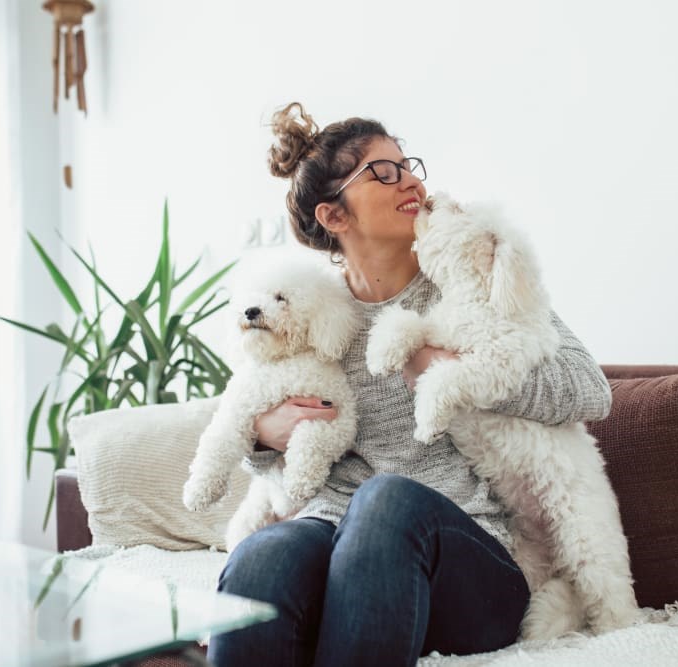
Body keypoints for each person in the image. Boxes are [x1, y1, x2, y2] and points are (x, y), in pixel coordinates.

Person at [206, 103, 612, 667]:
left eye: (408, 164)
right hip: (332, 535)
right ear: (334, 217)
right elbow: (254, 428)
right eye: (385, 172)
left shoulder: (470, 282)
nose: (413, 181)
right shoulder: (304, 306)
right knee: (266, 554)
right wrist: (260, 435)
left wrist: (455, 372)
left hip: (470, 559)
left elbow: (590, 389)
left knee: (387, 499)